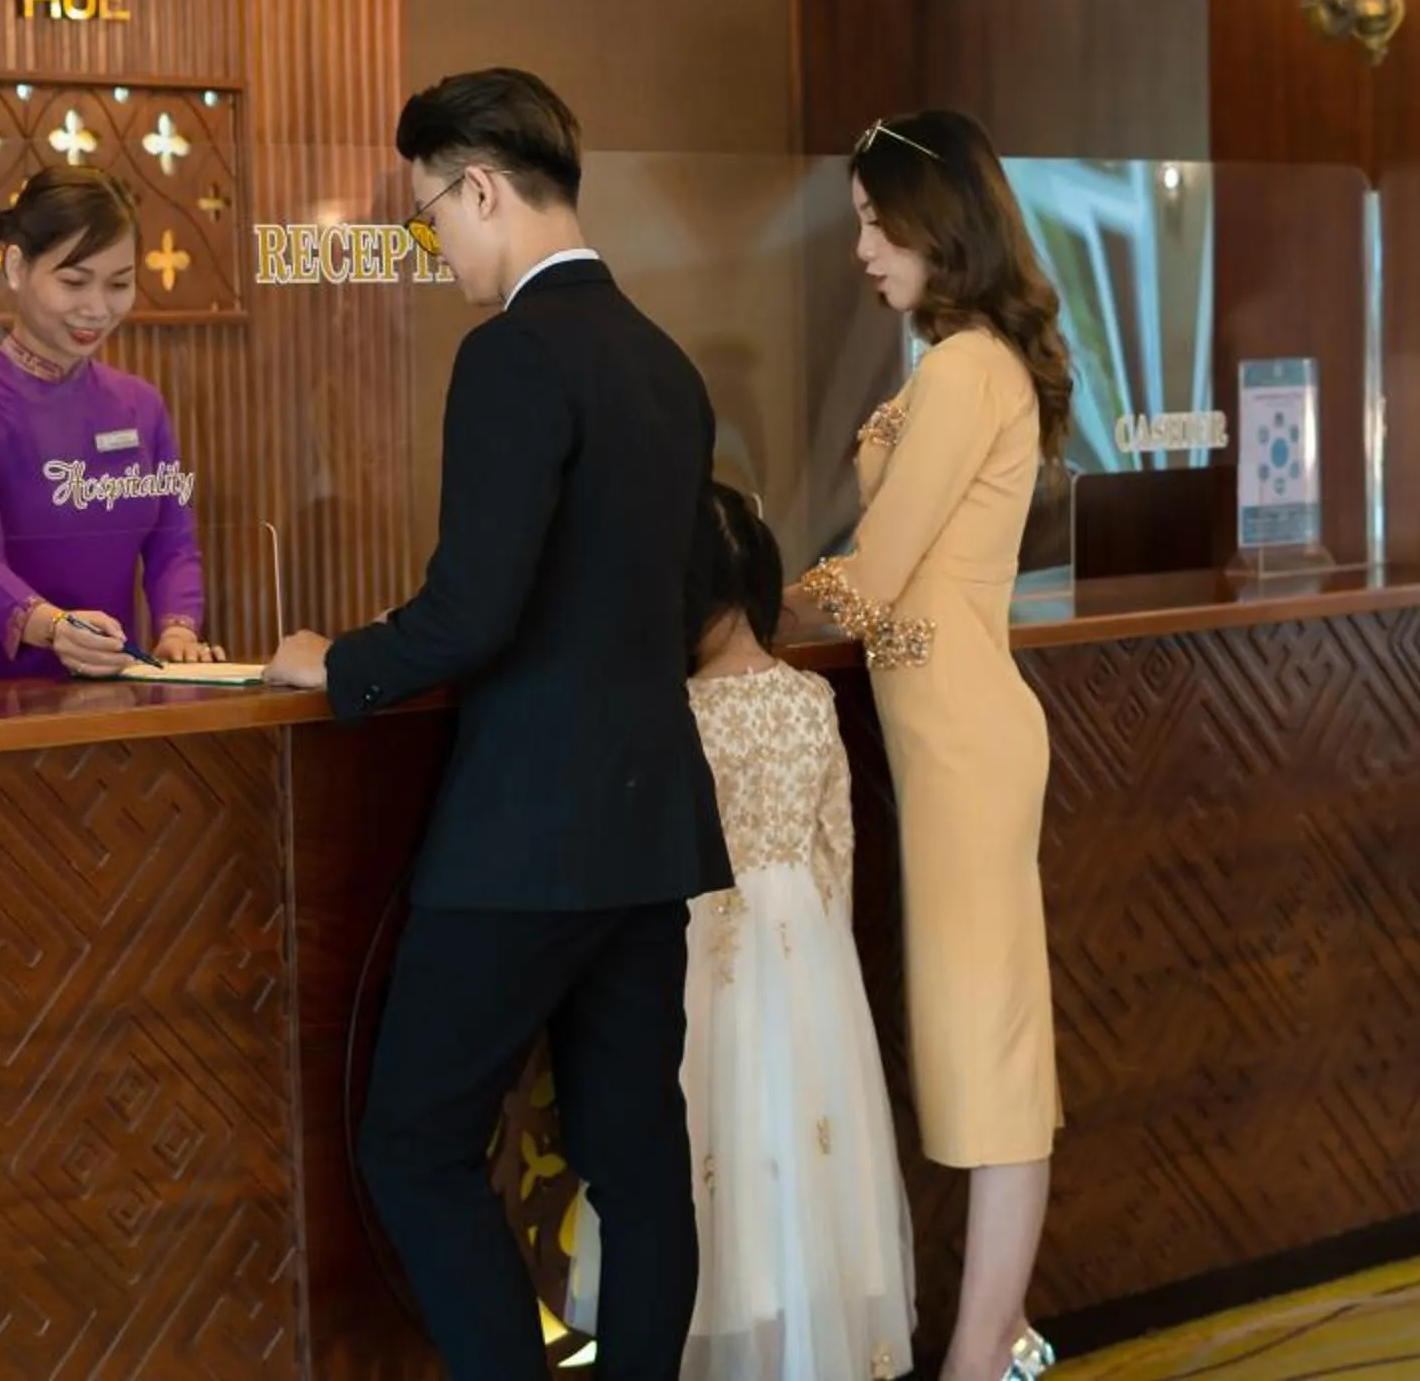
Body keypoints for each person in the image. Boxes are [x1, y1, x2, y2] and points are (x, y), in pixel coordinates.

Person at [265, 68, 727, 1381]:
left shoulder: (513, 353)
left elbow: (474, 611)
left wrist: (336, 663)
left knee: (411, 1145)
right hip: (648, 830)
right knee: (638, 1161)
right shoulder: (664, 360)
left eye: (431, 218)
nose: (436, 249)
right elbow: (677, 594)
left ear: (481, 187)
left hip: (526, 834)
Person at [795, 109, 1071, 1381]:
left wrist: (739, 606)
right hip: (945, 727)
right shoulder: (955, 357)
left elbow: (875, 575)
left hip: (963, 732)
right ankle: (986, 1341)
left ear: (935, 217)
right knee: (976, 1036)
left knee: (990, 1045)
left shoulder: (965, 369)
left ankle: (983, 1350)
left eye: (872, 217)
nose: (859, 245)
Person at [567, 482, 918, 1379]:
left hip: (692, 955)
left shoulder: (670, 710)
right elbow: (836, 846)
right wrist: (823, 954)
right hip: (805, 974)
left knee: (701, 1163)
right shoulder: (810, 701)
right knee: (796, 1165)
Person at [0, 166, 219, 677]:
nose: (97, 308)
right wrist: (55, 627)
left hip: (117, 686)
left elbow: (174, 542)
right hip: (0, 697)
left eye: (119, 284)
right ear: (17, 267)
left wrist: (177, 631)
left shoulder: (140, 405)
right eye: (75, 281)